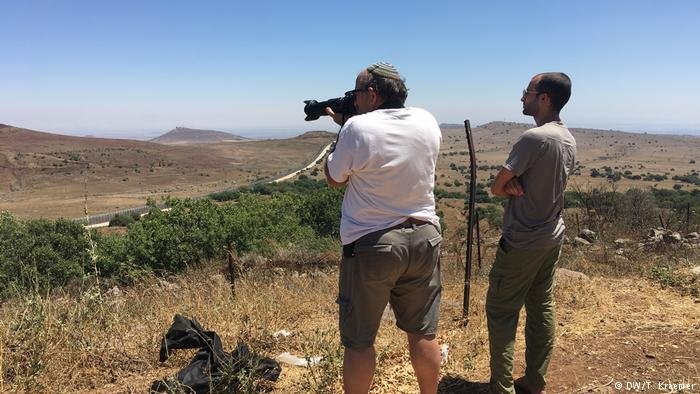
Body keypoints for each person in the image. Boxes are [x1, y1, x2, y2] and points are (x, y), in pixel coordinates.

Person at [324, 62, 443, 394]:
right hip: (424, 236)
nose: (354, 100)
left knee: (359, 341)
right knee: (423, 332)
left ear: (372, 94)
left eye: (357, 93)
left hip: (372, 243)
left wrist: (344, 128)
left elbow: (334, 178)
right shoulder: (427, 120)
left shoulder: (357, 128)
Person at [487, 72, 576, 394]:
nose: (522, 97)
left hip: (522, 240)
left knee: (501, 312)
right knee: (541, 307)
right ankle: (535, 380)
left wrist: (507, 187)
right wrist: (512, 185)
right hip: (551, 235)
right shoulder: (567, 138)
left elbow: (497, 187)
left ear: (544, 98)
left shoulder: (534, 138)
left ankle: (501, 387)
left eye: (527, 92)